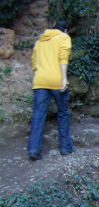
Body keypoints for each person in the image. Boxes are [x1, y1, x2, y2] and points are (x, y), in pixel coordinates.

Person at [28, 18, 75, 160]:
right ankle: (65, 147)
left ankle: (33, 150)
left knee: (38, 115)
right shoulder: (64, 37)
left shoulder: (40, 41)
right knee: (62, 113)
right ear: (65, 30)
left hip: (40, 81)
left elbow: (34, 64)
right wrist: (64, 79)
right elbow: (63, 58)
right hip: (56, 80)